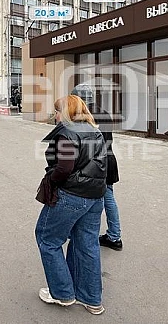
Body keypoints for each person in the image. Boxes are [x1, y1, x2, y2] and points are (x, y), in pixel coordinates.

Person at [35, 95, 107, 315]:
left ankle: (63, 293)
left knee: (47, 239)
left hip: (72, 195)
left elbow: (64, 168)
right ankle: (92, 299)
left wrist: (52, 179)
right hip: (95, 196)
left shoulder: (67, 132)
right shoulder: (94, 130)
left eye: (57, 111)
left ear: (66, 113)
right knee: (87, 244)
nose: (55, 115)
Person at [72, 84, 122, 251]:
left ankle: (100, 236)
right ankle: (114, 235)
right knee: (108, 198)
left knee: (94, 199)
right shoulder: (104, 112)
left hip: (96, 164)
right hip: (109, 159)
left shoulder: (85, 116)